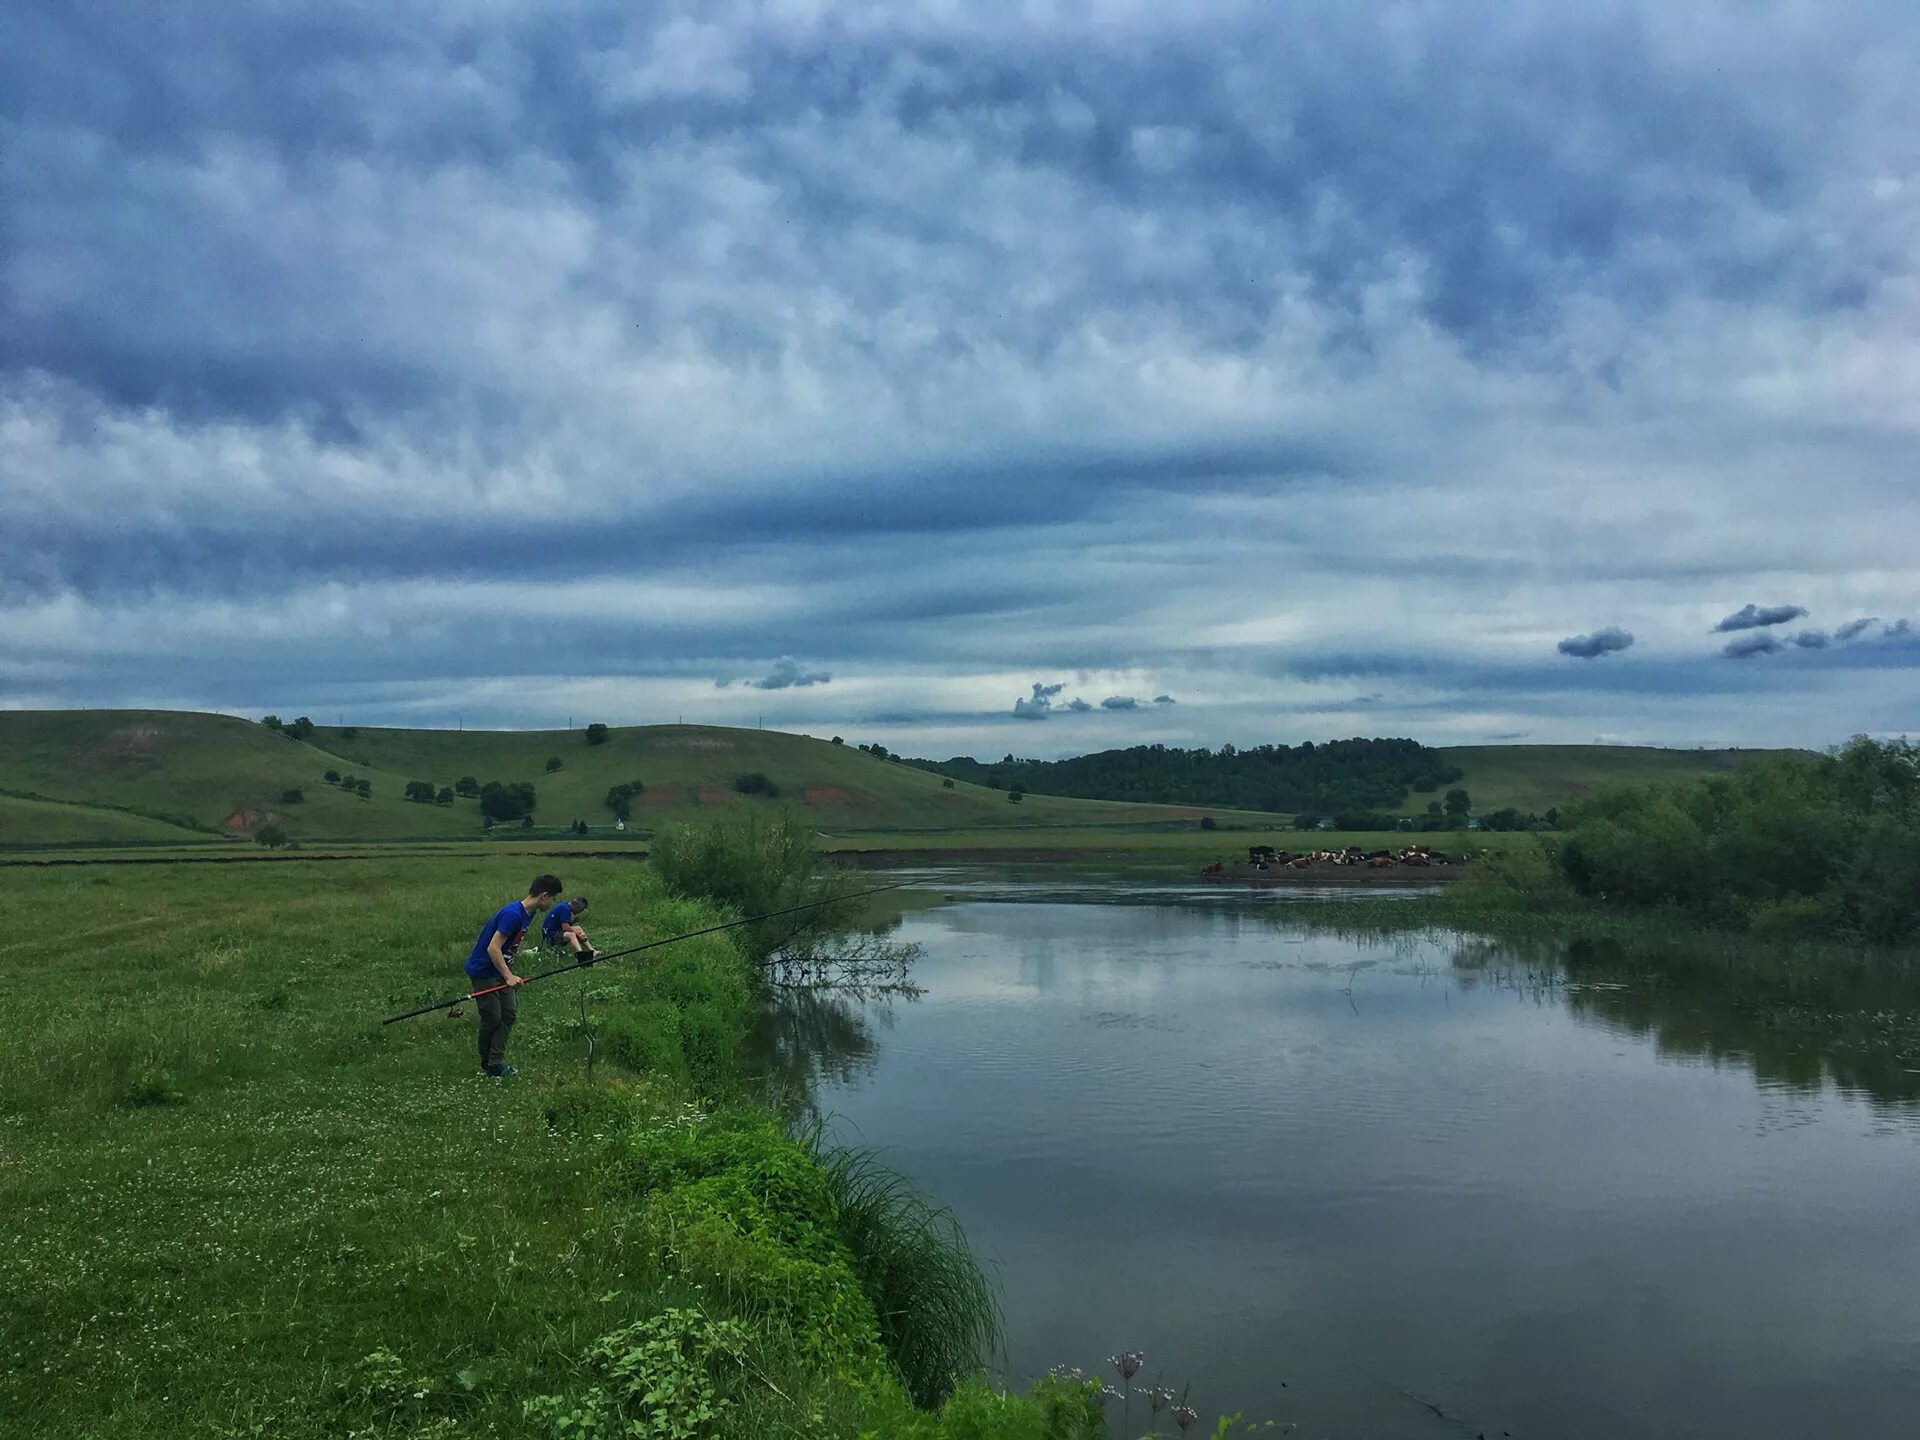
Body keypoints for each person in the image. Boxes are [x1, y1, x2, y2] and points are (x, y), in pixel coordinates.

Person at [465, 873, 563, 1078]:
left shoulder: (530, 913)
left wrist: (509, 970)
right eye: (553, 898)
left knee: (508, 1013)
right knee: (492, 1017)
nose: (553, 903)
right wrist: (508, 975)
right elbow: (493, 948)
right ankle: (487, 1064)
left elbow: (509, 946)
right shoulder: (513, 914)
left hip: (501, 969)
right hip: (484, 970)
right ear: (544, 895)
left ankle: (496, 1062)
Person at [542, 895, 597, 960]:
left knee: (578, 928)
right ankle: (581, 955)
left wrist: (573, 922)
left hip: (556, 931)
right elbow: (565, 927)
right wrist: (579, 936)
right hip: (550, 936)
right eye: (580, 910)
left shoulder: (565, 905)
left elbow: (562, 924)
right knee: (571, 935)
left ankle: (592, 951)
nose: (579, 912)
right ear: (577, 907)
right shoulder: (565, 909)